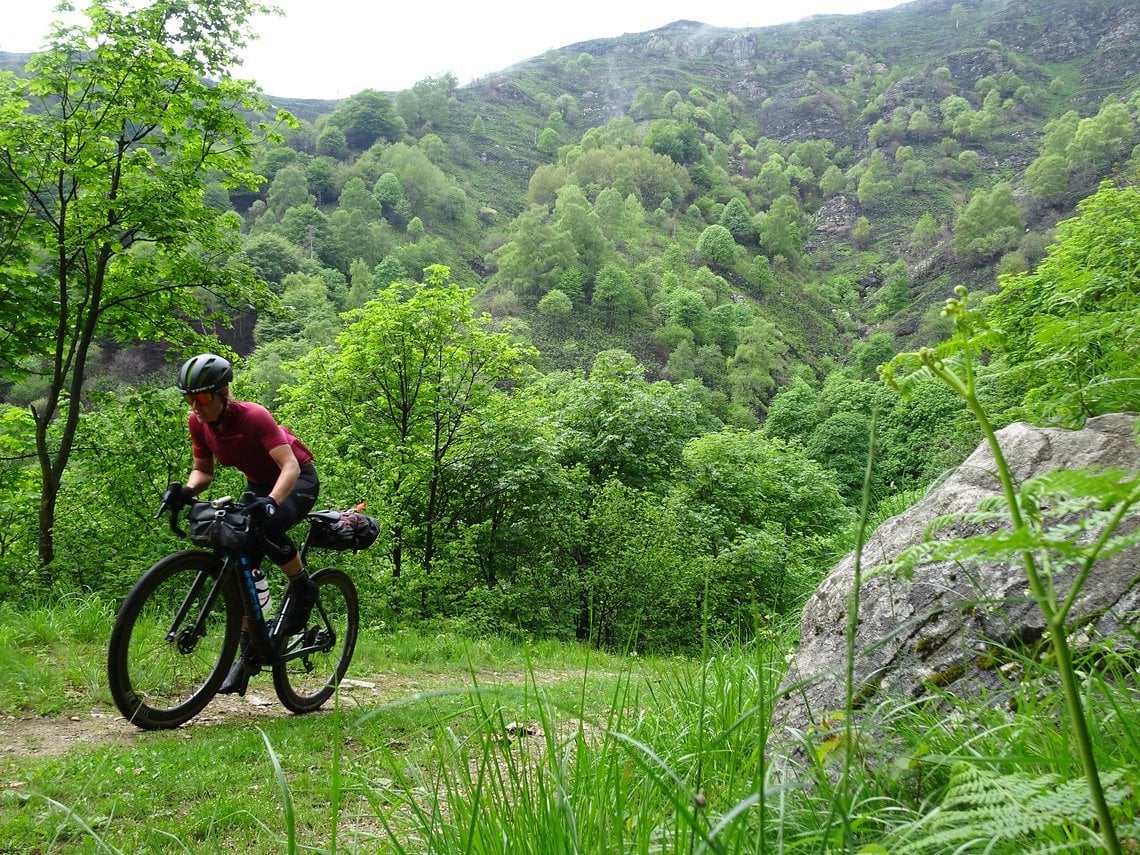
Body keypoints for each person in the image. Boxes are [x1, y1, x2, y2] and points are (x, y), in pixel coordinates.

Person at [167, 352, 320, 696]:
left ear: (224, 393)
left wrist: (271, 502)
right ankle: (246, 655)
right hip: (258, 485)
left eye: (203, 398)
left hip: (296, 482)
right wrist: (186, 490)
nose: (196, 406)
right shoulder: (199, 424)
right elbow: (203, 471)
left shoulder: (254, 416)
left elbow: (290, 468)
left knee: (266, 527)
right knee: (241, 562)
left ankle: (302, 585)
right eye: (190, 400)